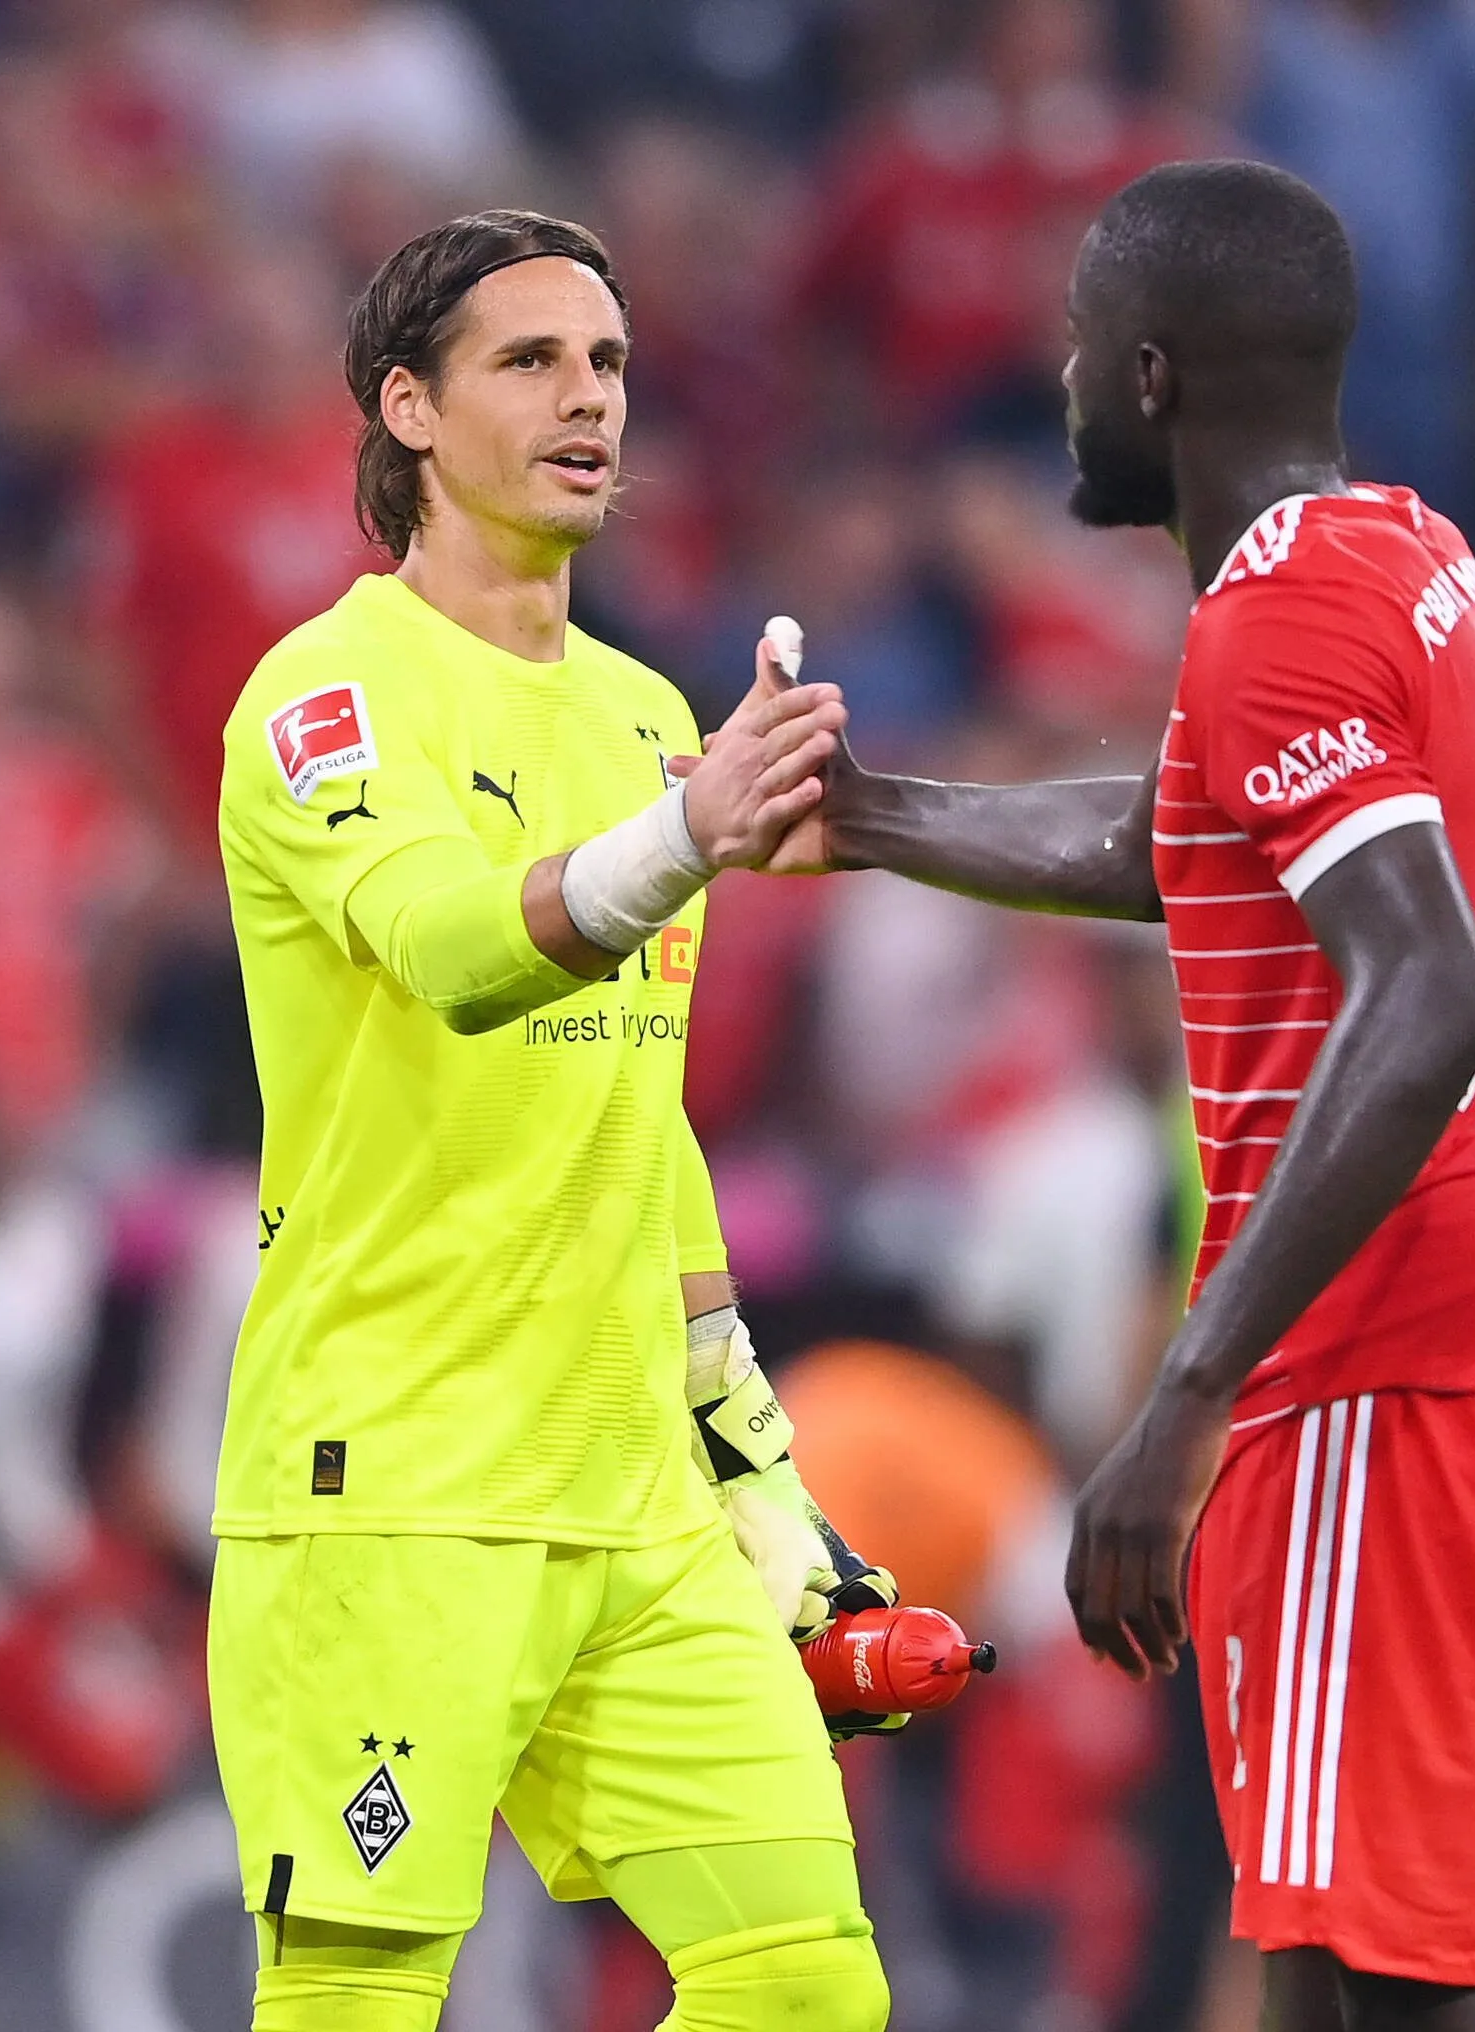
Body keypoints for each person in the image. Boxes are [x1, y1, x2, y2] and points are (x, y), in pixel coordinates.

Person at [773, 159, 1475, 2030]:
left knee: (1415, 1993)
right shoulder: (1417, 563)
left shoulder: (1273, 615)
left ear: (1156, 374)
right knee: (1345, 1972)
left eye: (1083, 346)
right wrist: (877, 818)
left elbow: (1421, 991)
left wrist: (1180, 1404)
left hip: (1404, 1365)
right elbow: (1178, 837)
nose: (1063, 381)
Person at [208, 209, 891, 2032]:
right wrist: (684, 835)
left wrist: (746, 1446)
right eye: (529, 363)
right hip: (393, 1487)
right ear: (407, 409)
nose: (586, 400)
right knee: (353, 2005)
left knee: (806, 1988)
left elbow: (634, 1095)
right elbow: (451, 951)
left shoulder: (646, 714)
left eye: (605, 367)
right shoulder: (325, 696)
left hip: (629, 1501)